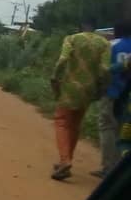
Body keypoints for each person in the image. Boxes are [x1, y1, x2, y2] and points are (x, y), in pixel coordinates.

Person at [50, 18, 111, 180]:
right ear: (95, 29)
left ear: (80, 28)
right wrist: (102, 87)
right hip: (88, 90)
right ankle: (67, 159)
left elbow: (62, 60)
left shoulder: (71, 39)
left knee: (61, 122)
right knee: (75, 124)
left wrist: (55, 77)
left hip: (70, 87)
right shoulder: (104, 43)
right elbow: (105, 69)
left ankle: (65, 161)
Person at [95, 20, 131, 177]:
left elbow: (103, 70)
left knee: (106, 127)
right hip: (127, 96)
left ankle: (108, 167)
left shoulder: (112, 45)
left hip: (111, 93)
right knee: (121, 129)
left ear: (116, 31)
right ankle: (118, 167)